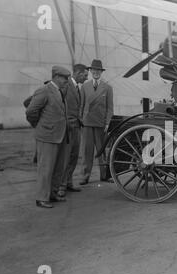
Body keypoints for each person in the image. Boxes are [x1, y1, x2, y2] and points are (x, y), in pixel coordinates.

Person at [26, 66, 71, 209]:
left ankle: (52, 194)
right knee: (46, 168)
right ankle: (41, 198)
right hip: (47, 136)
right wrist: (39, 126)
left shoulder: (59, 91)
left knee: (58, 168)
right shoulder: (44, 90)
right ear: (56, 77)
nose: (67, 81)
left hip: (60, 135)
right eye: (65, 78)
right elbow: (31, 111)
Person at [79, 59, 114, 185]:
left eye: (98, 70)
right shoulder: (85, 86)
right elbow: (81, 105)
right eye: (94, 70)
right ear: (90, 71)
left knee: (101, 151)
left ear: (101, 72)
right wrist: (81, 120)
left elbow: (110, 108)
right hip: (87, 123)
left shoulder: (108, 88)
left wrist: (107, 123)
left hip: (100, 123)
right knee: (86, 151)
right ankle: (85, 176)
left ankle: (104, 175)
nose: (96, 72)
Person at [57, 64, 88, 197]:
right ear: (78, 73)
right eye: (85, 75)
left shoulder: (76, 87)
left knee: (74, 157)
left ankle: (68, 182)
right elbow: (60, 104)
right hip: (68, 127)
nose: (86, 78)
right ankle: (61, 186)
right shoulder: (66, 85)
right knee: (66, 157)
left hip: (77, 126)